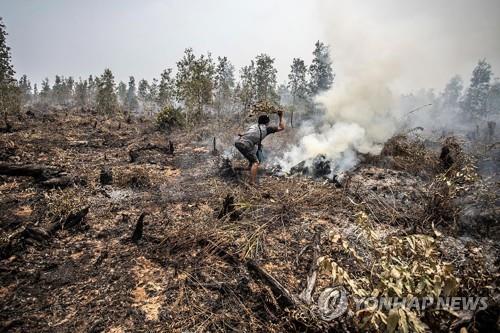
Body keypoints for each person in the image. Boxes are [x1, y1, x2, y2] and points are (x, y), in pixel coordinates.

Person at [235, 110, 285, 184]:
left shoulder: (253, 126)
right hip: (245, 145)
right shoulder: (267, 129)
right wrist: (280, 116)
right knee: (256, 163)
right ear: (267, 123)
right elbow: (282, 127)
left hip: (238, 142)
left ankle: (238, 169)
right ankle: (252, 182)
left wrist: (242, 135)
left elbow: (245, 134)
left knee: (253, 157)